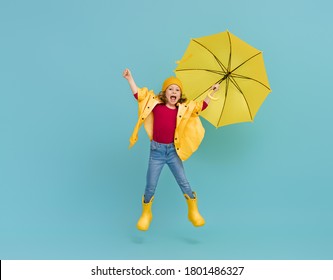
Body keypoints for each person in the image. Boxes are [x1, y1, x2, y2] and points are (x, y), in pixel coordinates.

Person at [123, 68, 219, 231]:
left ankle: (193, 211)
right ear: (164, 92)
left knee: (184, 182)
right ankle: (146, 214)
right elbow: (138, 96)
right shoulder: (155, 104)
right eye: (170, 89)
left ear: (180, 95)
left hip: (173, 152)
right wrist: (130, 78)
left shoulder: (183, 108)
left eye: (177, 90)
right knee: (150, 185)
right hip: (157, 152)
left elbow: (199, 107)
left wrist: (211, 92)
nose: (174, 91)